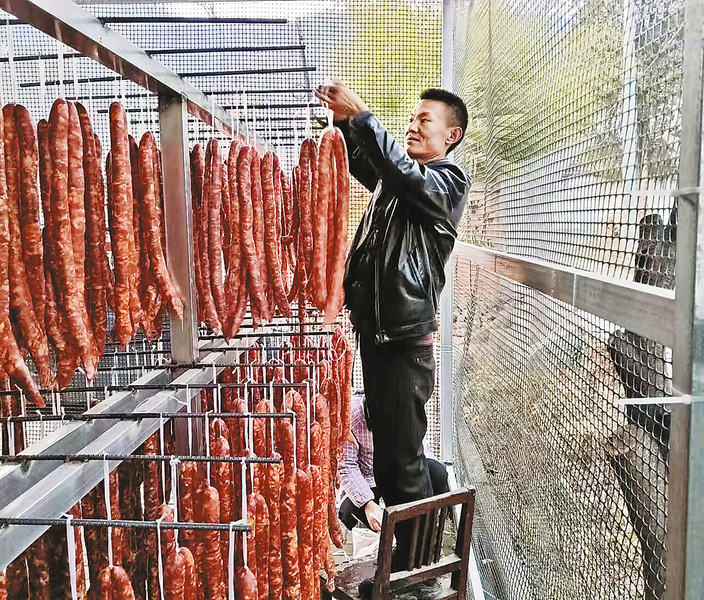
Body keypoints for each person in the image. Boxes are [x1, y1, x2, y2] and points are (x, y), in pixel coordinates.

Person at [315, 81, 469, 574]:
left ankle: (414, 572)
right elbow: (373, 165)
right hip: (380, 339)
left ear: (451, 135)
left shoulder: (446, 183)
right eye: (412, 118)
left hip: (404, 345)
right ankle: (409, 557)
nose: (413, 126)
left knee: (402, 466)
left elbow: (401, 173)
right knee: (389, 460)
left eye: (425, 120)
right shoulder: (398, 184)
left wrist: (363, 115)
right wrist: (345, 124)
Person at [339, 390, 450, 533]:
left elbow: (420, 449)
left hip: (402, 469)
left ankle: (430, 524)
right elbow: (347, 466)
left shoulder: (407, 410)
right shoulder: (351, 415)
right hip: (368, 475)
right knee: (349, 511)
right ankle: (378, 537)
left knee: (438, 474)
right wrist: (367, 503)